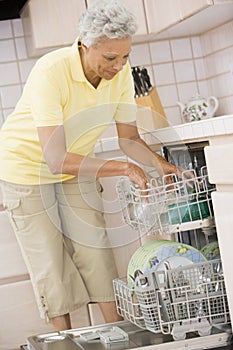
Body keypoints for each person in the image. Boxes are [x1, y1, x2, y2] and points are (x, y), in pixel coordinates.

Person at [0, 0, 181, 331]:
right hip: (25, 169)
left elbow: (128, 139)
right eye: (110, 58)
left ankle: (119, 334)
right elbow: (55, 159)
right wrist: (123, 168)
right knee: (51, 264)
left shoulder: (121, 75)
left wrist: (160, 164)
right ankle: (65, 340)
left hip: (76, 165)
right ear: (84, 47)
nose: (119, 65)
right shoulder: (50, 71)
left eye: (125, 56)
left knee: (94, 251)